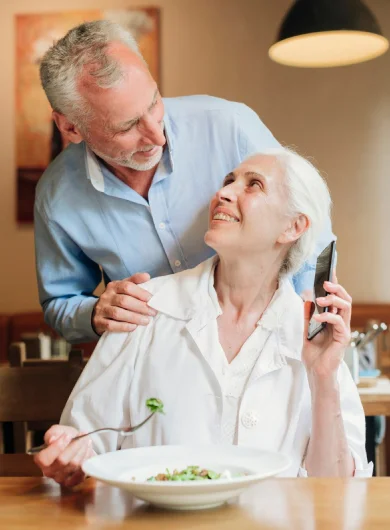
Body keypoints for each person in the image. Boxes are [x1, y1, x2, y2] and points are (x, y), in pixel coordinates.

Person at [34, 149, 371, 487]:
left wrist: (323, 376)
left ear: (293, 226)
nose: (222, 193)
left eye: (253, 185)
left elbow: (336, 490)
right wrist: (70, 456)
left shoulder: (312, 336)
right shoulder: (144, 306)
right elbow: (84, 447)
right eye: (228, 181)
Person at [35, 20, 334, 344]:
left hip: (270, 343)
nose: (155, 135)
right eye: (127, 127)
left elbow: (309, 226)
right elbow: (60, 302)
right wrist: (94, 313)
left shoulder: (229, 125)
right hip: (158, 363)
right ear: (70, 127)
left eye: (153, 103)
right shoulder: (57, 197)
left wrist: (312, 318)